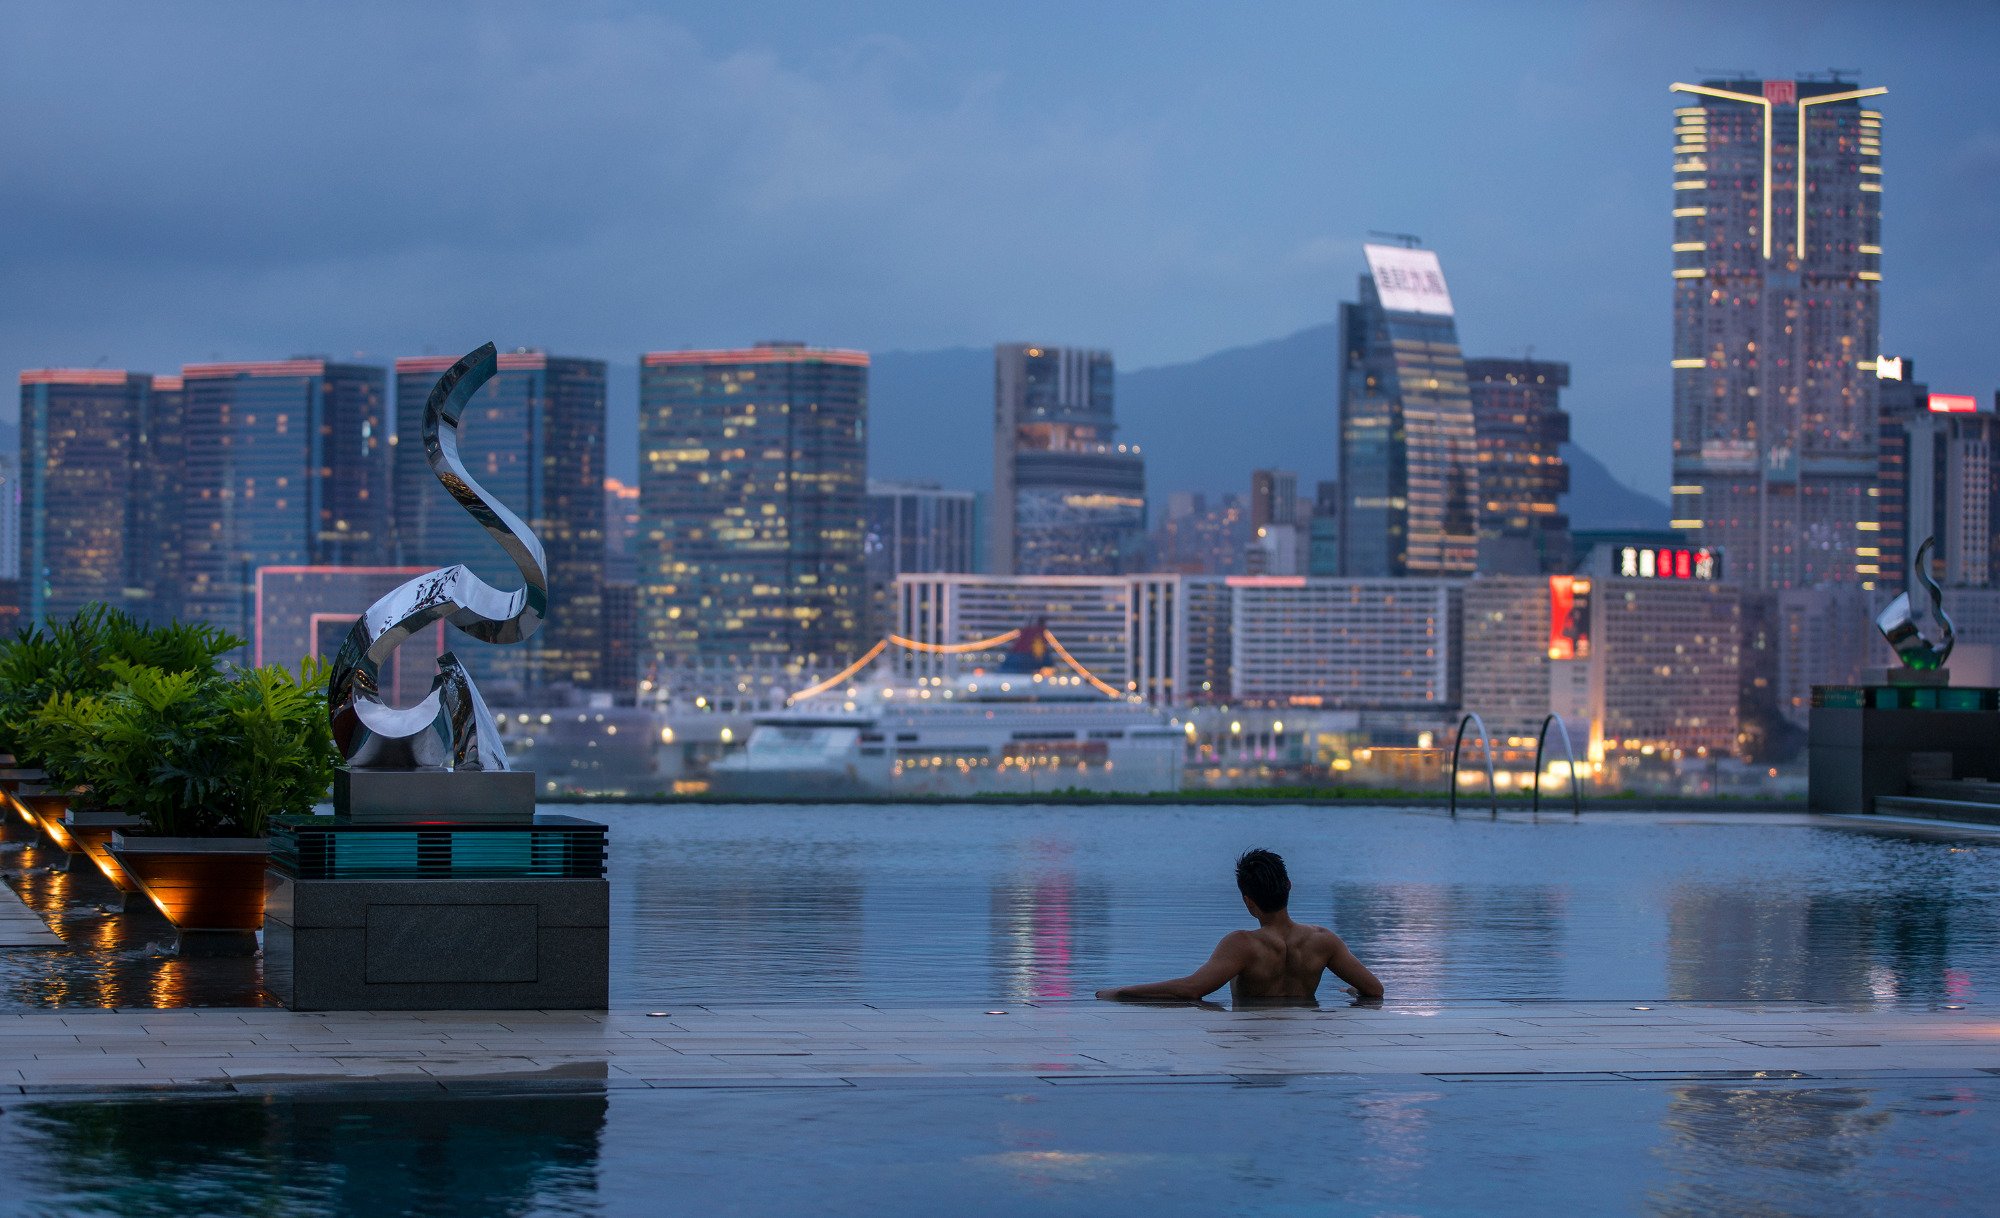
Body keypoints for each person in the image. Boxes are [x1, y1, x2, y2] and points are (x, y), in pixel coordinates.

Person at [1095, 848, 1383, 1004]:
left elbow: (1191, 989)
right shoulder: (1324, 941)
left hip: (1253, 1034)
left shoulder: (1243, 945)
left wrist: (1120, 992)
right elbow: (1374, 989)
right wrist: (1353, 992)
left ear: (1248, 902)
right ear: (1290, 887)